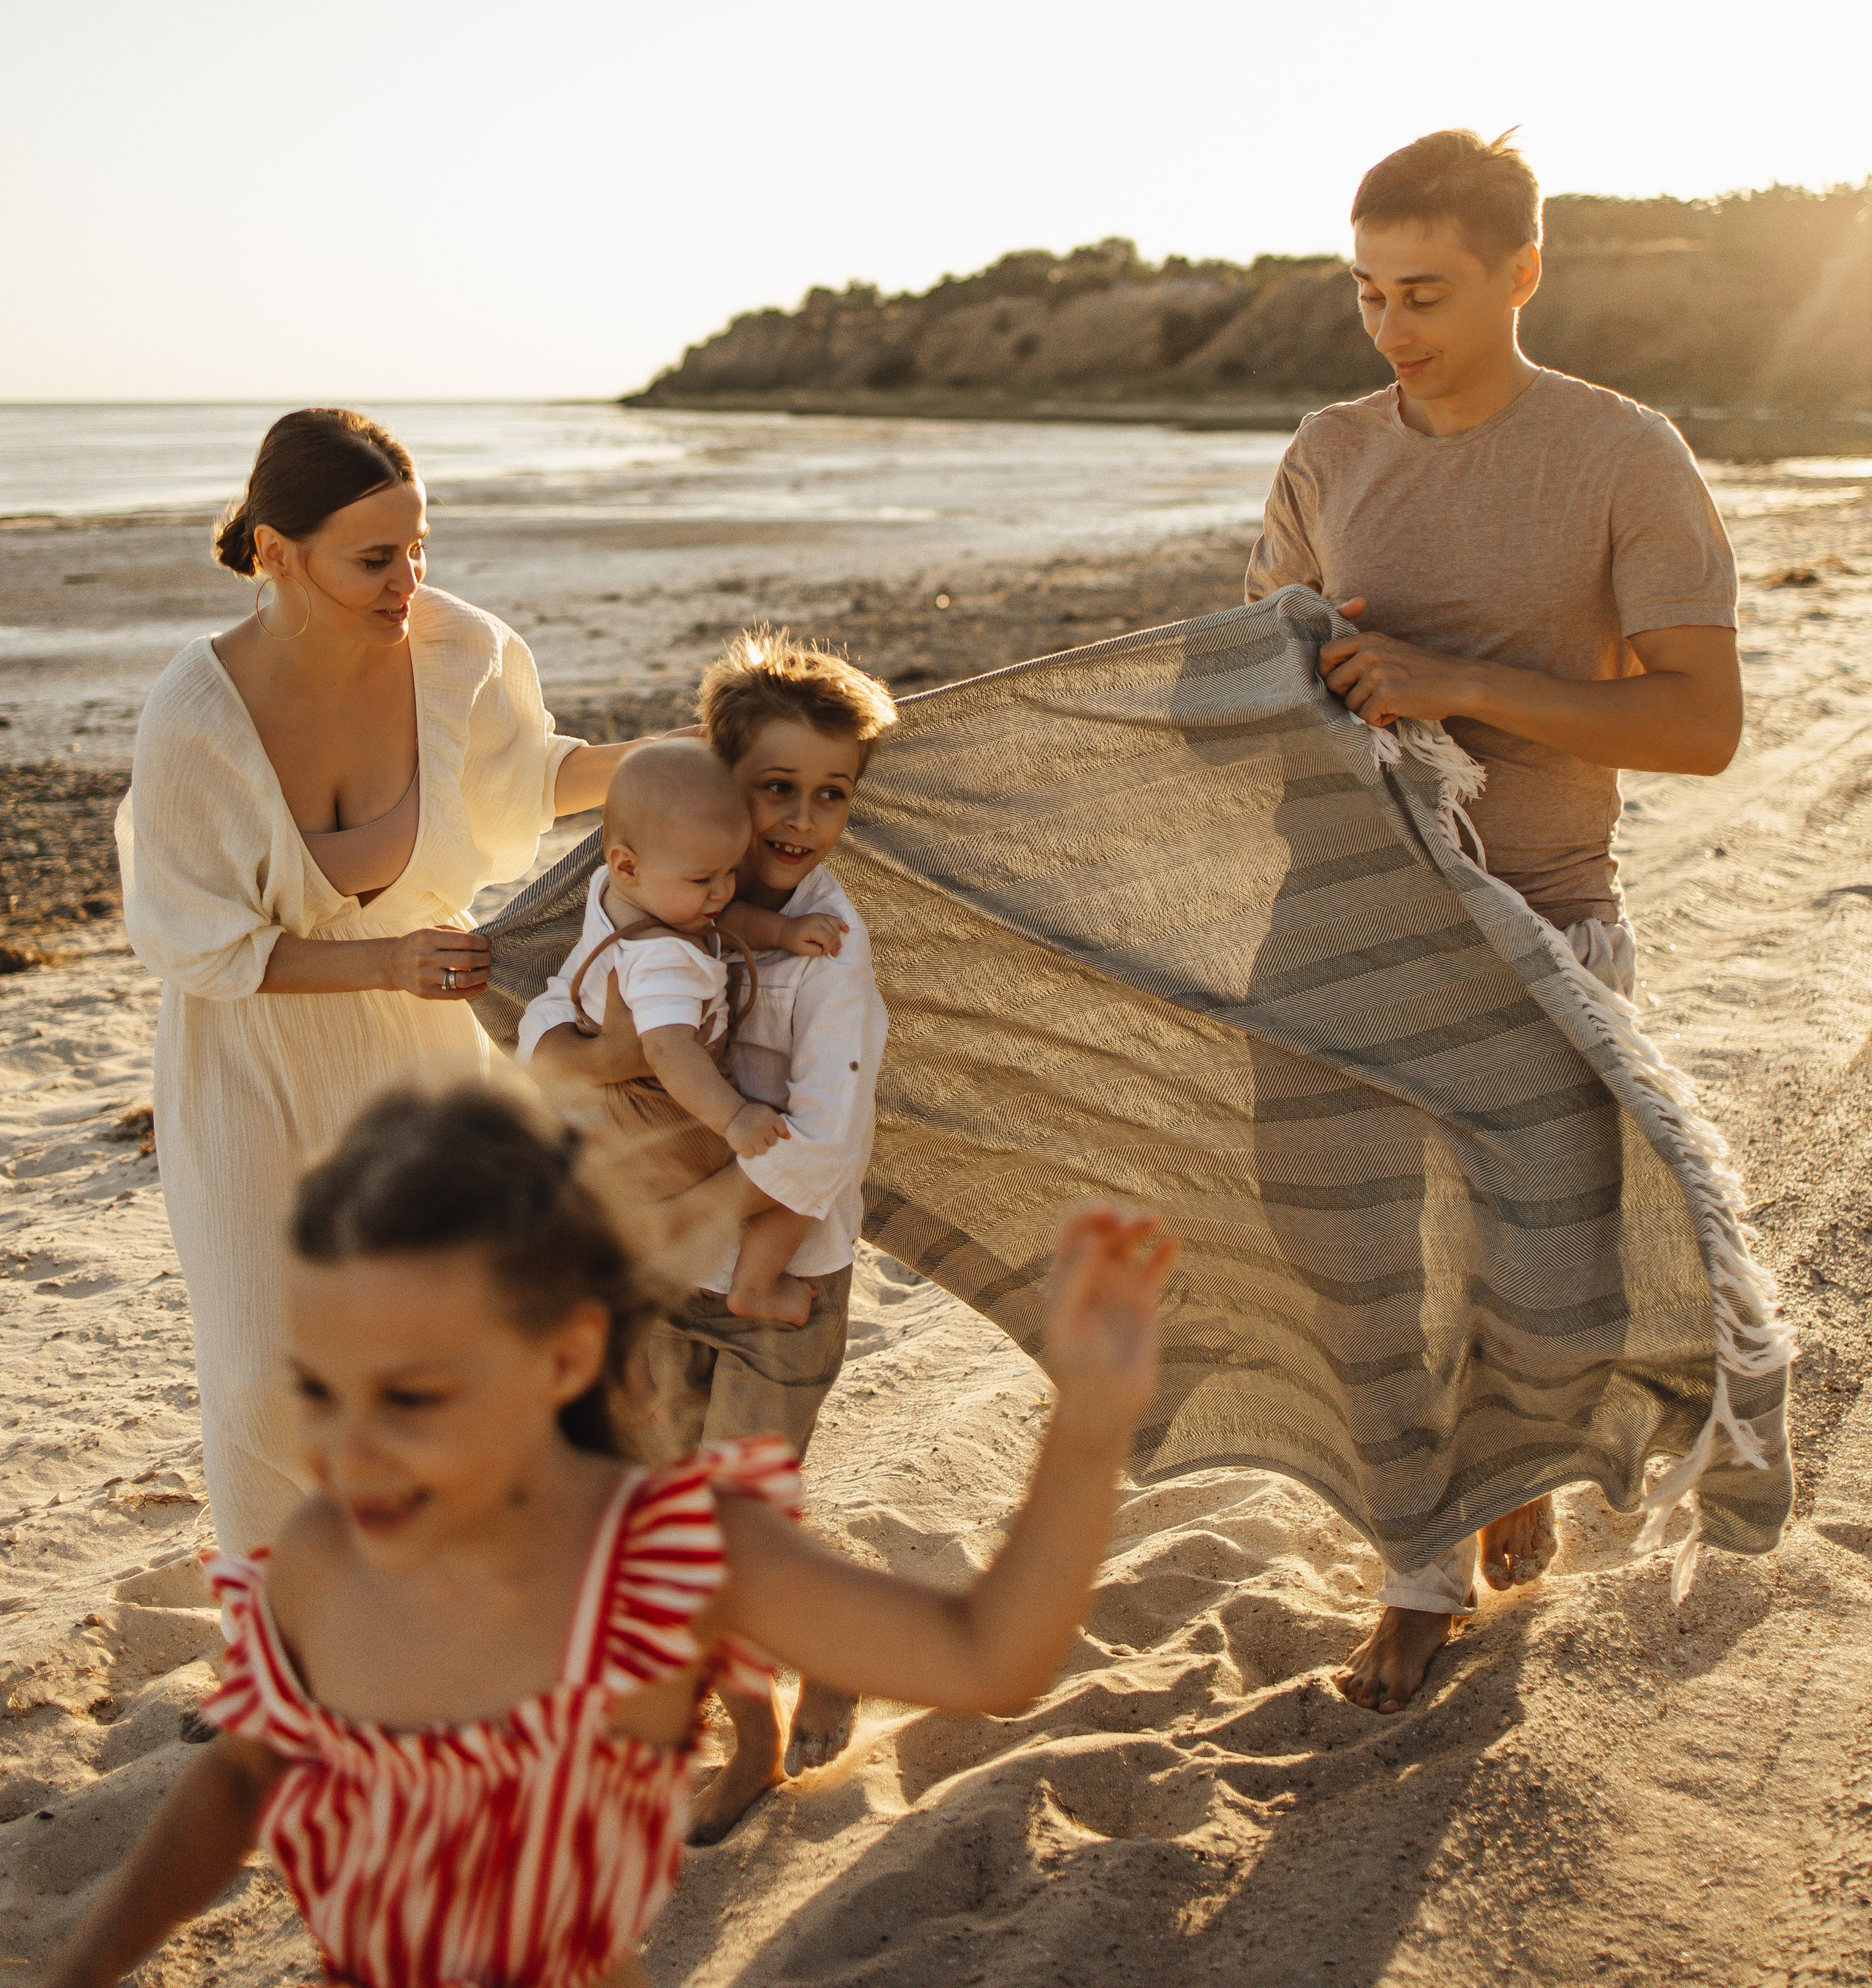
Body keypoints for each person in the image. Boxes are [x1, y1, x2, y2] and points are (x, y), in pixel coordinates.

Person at [43, 1087, 1174, 1988]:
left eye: (415, 1399)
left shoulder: (666, 1560)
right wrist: (88, 1962)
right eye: (321, 1392)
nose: (352, 1453)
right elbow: (245, 1775)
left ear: (565, 1359)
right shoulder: (321, 1561)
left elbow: (989, 1658)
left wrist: (1086, 1424)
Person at [1245, 128, 1743, 1714]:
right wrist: (1303, 675)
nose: (1394, 330)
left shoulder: (1620, 453)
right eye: (1368, 294)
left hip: (1539, 915)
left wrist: (1454, 684)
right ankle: (1417, 1566)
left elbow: (1698, 725)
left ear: (1521, 275)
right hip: (1342, 912)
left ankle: (1512, 1460)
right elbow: (1260, 684)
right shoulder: (1325, 454)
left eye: (1429, 293)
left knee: (1524, 1273)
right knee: (1357, 1259)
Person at [116, 407, 642, 1562]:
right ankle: (280, 1648)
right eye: (373, 559)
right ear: (274, 554)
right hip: (245, 1056)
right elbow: (198, 945)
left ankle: (426, 1611)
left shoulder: (466, 653)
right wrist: (387, 961)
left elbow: (530, 780)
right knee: (264, 1374)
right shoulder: (195, 715)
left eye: (419, 547)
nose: (407, 580)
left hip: (420, 1057)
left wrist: (673, 760)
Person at [527, 627, 894, 1830]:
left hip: (779, 1279)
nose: (796, 820)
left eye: (829, 795)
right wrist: (589, 1058)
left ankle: (753, 1745)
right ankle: (826, 1648)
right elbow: (545, 1006)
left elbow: (826, 1147)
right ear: (716, 785)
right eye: (772, 789)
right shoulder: (640, 898)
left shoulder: (833, 954)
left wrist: (694, 1208)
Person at [516, 739, 820, 1327]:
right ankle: (754, 1287)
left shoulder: (620, 892)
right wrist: (733, 1118)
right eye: (705, 878)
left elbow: (719, 918)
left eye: (732, 872)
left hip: (599, 1116)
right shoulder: (661, 958)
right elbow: (667, 1048)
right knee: (802, 1174)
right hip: (666, 1113)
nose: (724, 892)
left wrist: (780, 932)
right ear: (628, 863)